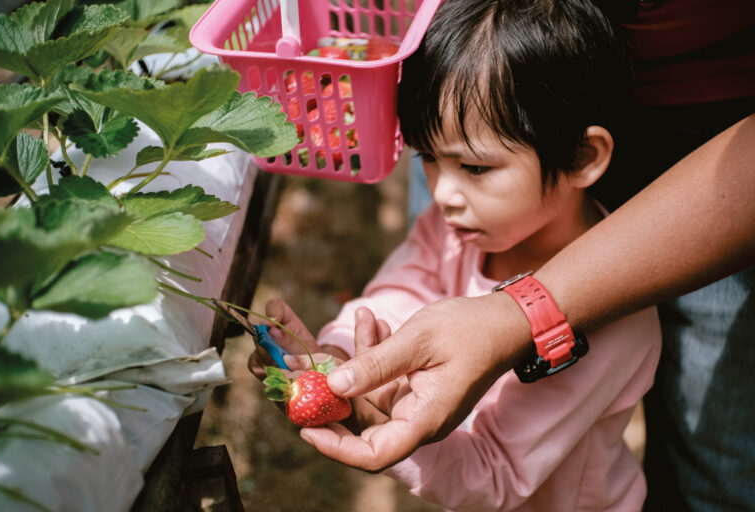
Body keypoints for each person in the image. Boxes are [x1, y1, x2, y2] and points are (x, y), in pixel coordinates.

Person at [300, 5, 755, 512]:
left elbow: (496, 476)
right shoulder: (456, 229)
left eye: (474, 167)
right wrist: (337, 357)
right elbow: (396, 296)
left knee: (715, 459)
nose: (443, 194)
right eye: (427, 157)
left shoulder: (608, 323)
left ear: (582, 157)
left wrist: (376, 428)